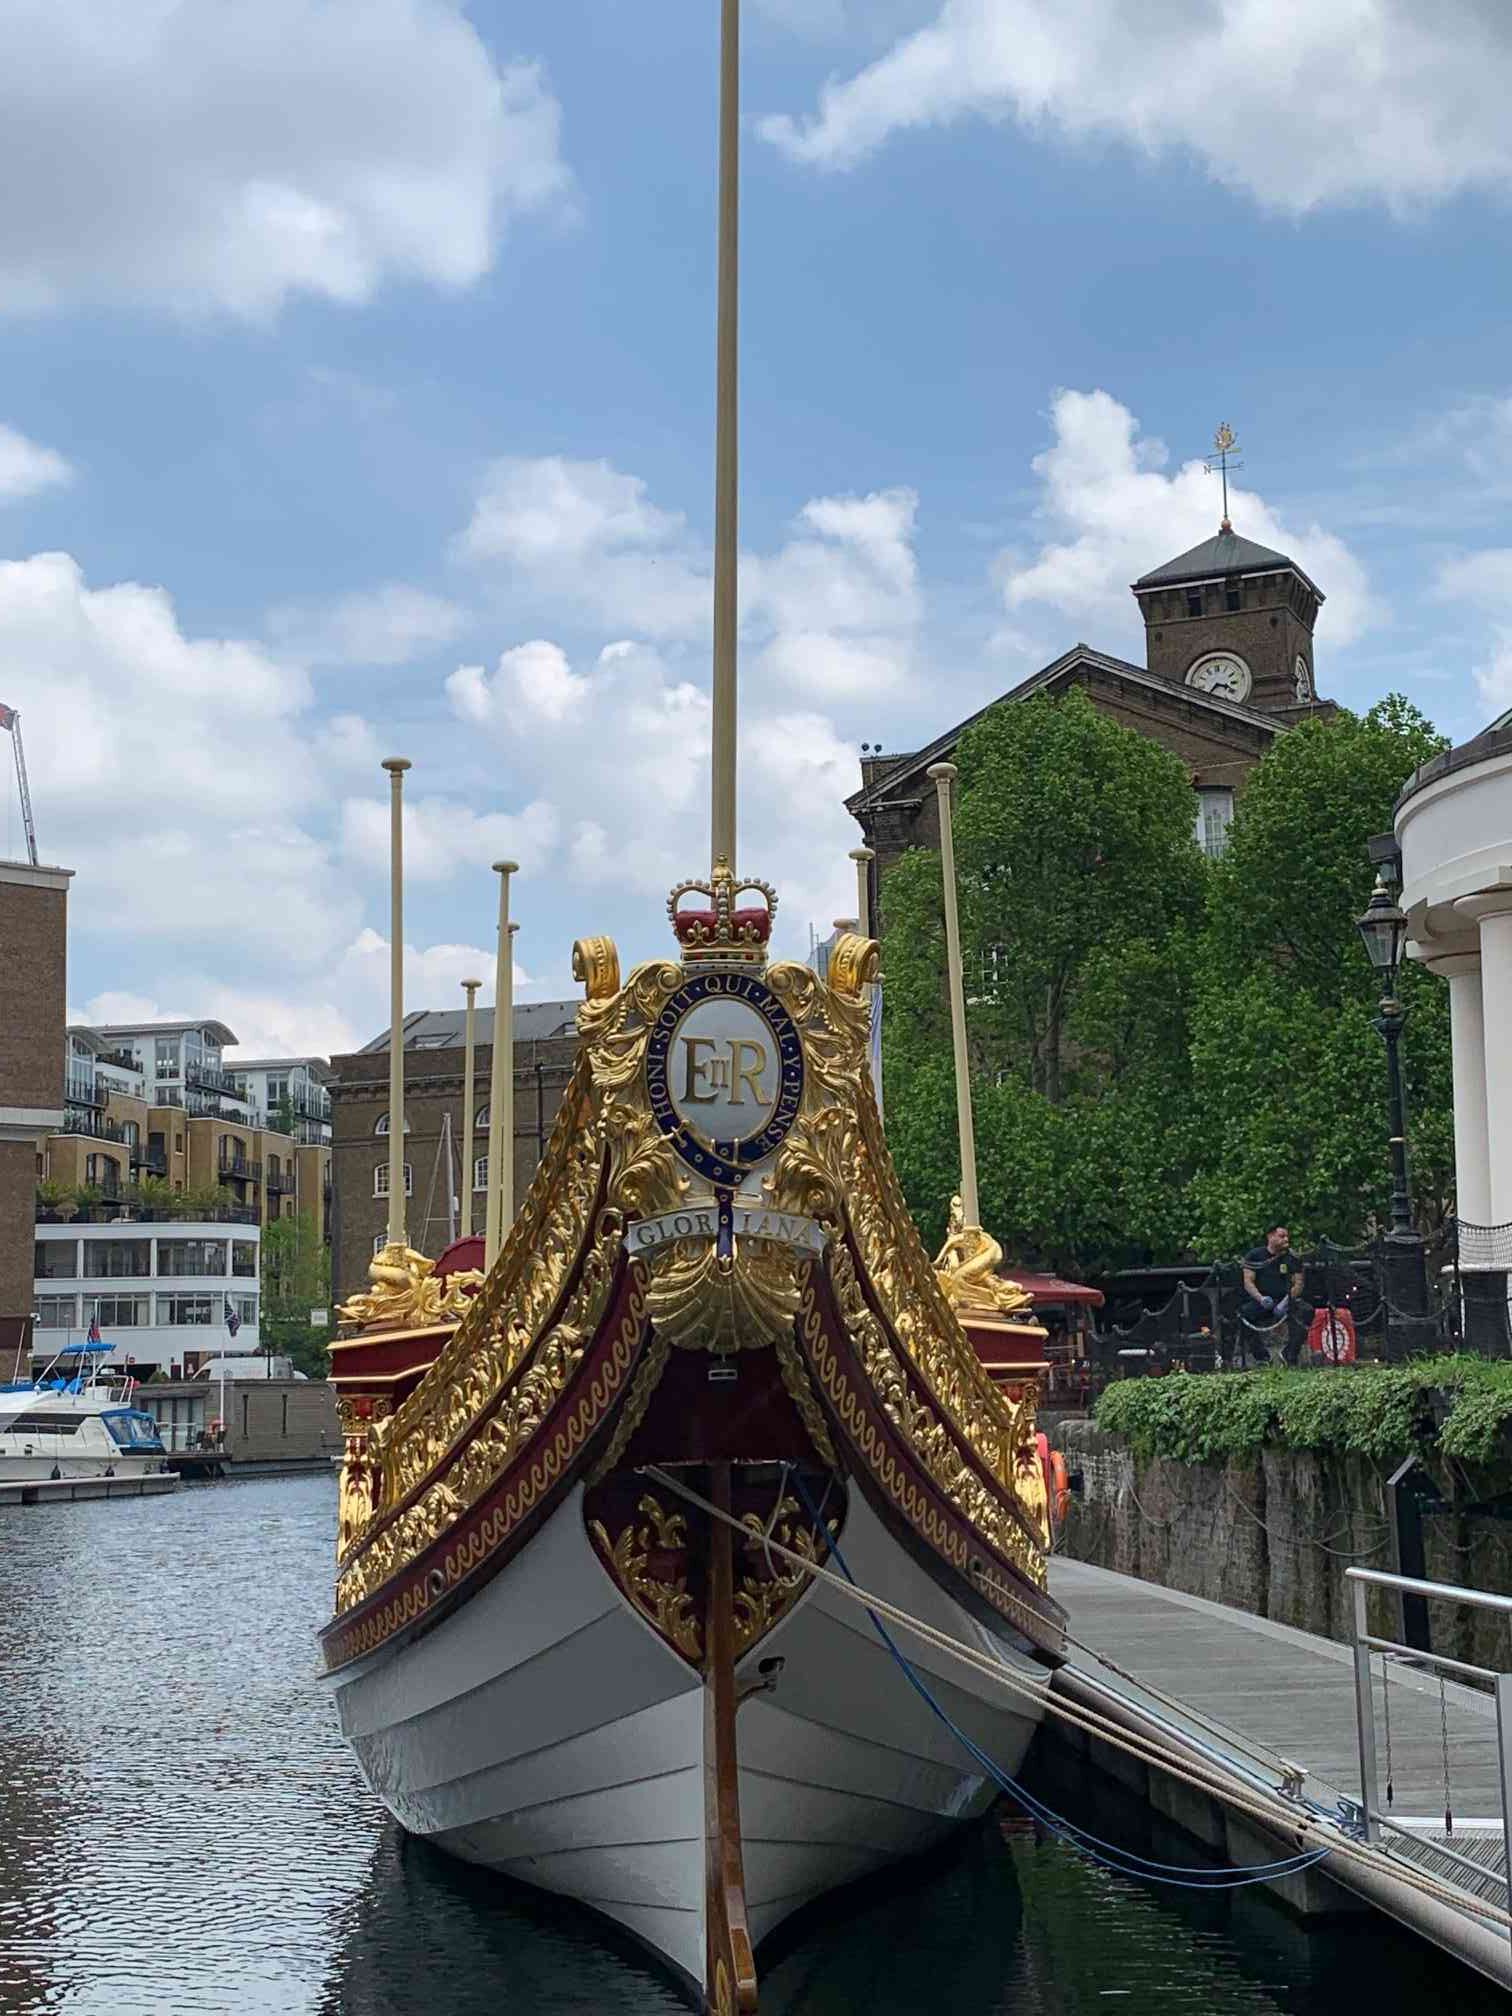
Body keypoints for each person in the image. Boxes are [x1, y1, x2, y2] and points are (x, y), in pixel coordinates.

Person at [1241, 1223, 1303, 1361]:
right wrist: (1260, 1298)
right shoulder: (1255, 1255)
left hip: (1285, 1301)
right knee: (1244, 1314)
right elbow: (1248, 1281)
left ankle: (1289, 1354)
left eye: (1287, 1236)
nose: (1286, 1239)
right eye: (1282, 1236)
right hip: (1263, 1300)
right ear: (1270, 1236)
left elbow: (1298, 1283)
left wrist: (1286, 1301)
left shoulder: (1293, 1258)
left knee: (1306, 1312)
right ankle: (1262, 1357)